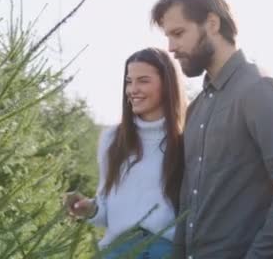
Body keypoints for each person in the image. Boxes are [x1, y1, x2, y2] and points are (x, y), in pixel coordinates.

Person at [150, 0, 273, 259]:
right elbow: (188, 201)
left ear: (211, 23)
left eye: (178, 33)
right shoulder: (197, 108)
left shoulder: (260, 91)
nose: (171, 47)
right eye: (168, 36)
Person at [63, 47, 187, 258]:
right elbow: (105, 210)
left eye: (143, 81)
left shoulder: (187, 140)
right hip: (118, 250)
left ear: (167, 84)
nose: (133, 89)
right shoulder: (112, 139)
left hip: (166, 251)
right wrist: (89, 209)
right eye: (129, 81)